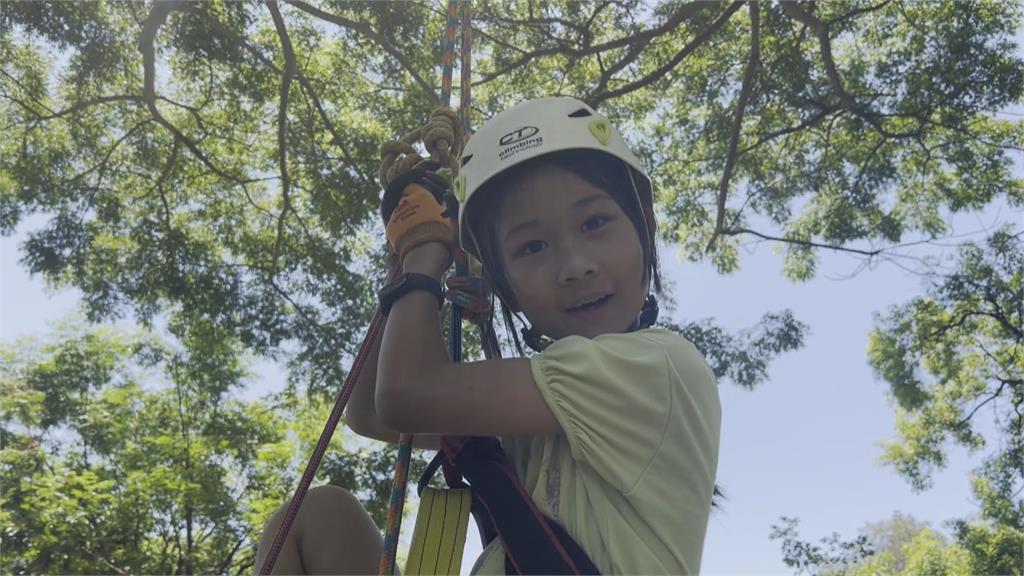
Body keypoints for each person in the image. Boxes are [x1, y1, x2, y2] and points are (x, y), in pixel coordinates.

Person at [255, 96, 721, 575]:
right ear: (509, 291)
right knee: (314, 520)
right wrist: (408, 271)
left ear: (644, 226)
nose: (575, 265)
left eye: (594, 222)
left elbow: (403, 396)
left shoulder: (653, 365)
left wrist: (422, 262)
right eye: (532, 246)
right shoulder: (539, 418)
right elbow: (371, 410)